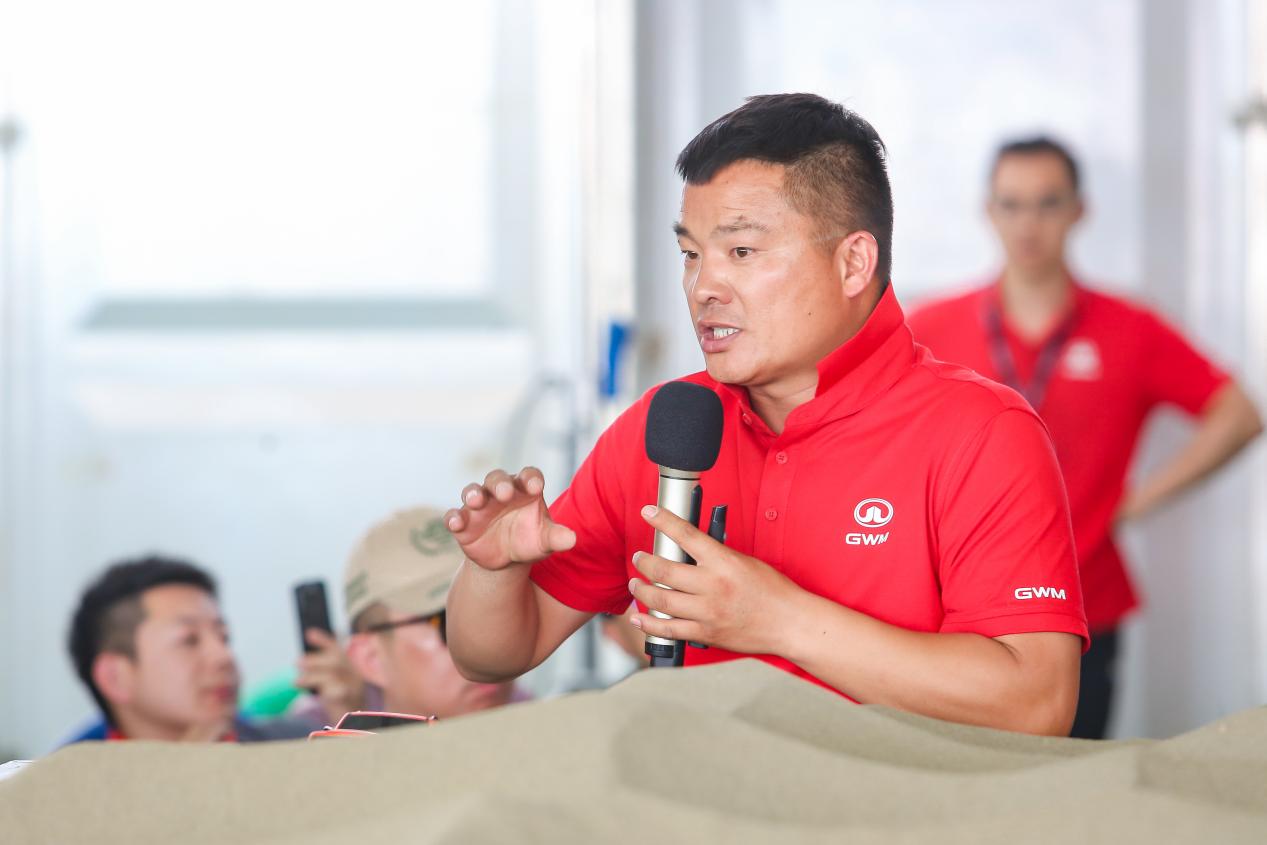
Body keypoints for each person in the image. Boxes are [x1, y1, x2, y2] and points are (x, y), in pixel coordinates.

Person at [445, 93, 1090, 737]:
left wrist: (779, 619)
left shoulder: (981, 432)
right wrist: (493, 572)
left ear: (853, 263)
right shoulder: (668, 425)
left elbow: (1036, 705)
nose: (703, 288)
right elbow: (492, 657)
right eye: (691, 254)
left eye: (742, 252)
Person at [906, 137, 1263, 739]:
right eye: (1012, 204)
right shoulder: (933, 326)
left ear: (1079, 210)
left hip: (1084, 608)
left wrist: (1134, 503)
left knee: (1073, 786)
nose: (1029, 224)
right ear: (989, 212)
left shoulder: (1130, 329)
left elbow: (1240, 414)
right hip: (954, 612)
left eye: (1048, 203)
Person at [295, 507, 523, 721]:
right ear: (371, 659)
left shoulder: (530, 712)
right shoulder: (304, 738)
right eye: (449, 623)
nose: (489, 642)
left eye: (492, 608)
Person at [65, 556, 310, 743]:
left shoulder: (297, 746)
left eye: (224, 638)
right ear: (115, 677)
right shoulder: (72, 786)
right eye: (190, 640)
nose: (224, 657)